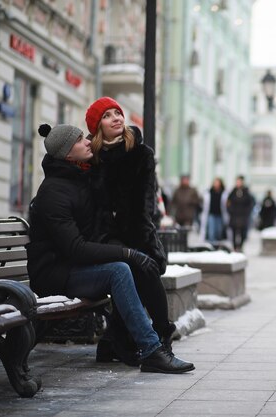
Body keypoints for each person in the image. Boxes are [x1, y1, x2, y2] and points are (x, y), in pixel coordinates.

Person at [27, 123, 194, 374]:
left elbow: (118, 161)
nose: (87, 142)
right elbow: (76, 248)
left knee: (136, 266)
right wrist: (128, 253)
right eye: (80, 139)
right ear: (66, 154)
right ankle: (152, 350)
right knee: (119, 270)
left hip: (73, 266)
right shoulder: (53, 191)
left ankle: (119, 343)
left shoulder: (79, 178)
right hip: (55, 273)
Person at [85, 96, 175, 364]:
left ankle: (140, 338)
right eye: (107, 115)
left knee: (144, 268)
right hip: (106, 238)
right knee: (138, 269)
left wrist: (142, 241)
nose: (116, 118)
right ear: (97, 126)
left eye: (118, 113)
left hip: (138, 230)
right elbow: (95, 207)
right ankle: (137, 340)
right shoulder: (93, 160)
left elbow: (146, 203)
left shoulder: (141, 154)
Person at [226, 175, 254, 252]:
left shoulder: (246, 192)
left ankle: (240, 246)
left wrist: (246, 212)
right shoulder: (233, 192)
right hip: (234, 216)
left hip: (243, 216)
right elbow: (228, 203)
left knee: (243, 233)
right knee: (234, 232)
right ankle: (235, 247)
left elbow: (250, 203)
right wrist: (230, 211)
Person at [200, 177, 228, 244]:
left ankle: (217, 244)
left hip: (220, 215)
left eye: (218, 183)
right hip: (211, 214)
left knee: (218, 231)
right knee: (211, 231)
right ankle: (211, 244)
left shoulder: (224, 193)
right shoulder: (209, 192)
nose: (216, 184)